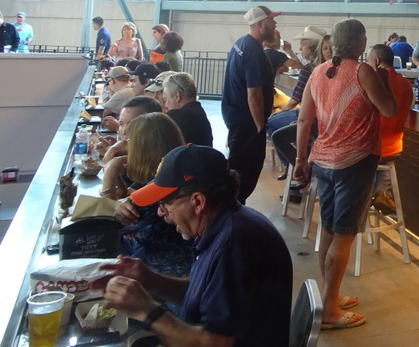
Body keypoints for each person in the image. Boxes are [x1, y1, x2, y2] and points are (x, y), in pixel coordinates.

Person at [99, 145, 292, 347]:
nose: (160, 213)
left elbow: (216, 343)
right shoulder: (225, 225)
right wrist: (149, 278)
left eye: (165, 203)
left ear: (198, 202)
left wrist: (146, 311)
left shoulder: (235, 243)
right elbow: (202, 297)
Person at [295, 19, 396, 329]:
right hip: (355, 161)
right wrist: (384, 79)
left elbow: (303, 120)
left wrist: (301, 159)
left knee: (327, 229)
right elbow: (390, 109)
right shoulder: (362, 71)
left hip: (323, 161)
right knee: (344, 233)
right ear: (361, 43)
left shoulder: (318, 72)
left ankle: (330, 296)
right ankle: (328, 312)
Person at [100, 113, 195, 279]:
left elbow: (106, 227)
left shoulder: (155, 196)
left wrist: (108, 177)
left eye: (129, 142)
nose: (125, 146)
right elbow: (127, 196)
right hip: (183, 267)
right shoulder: (176, 173)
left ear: (142, 148)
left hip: (158, 279)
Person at [222, 5, 280, 203]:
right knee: (246, 169)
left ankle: (232, 206)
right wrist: (260, 127)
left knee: (237, 165)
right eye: (272, 20)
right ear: (261, 24)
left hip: (235, 116)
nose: (275, 24)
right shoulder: (255, 52)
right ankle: (233, 209)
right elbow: (254, 94)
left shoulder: (241, 43)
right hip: (247, 122)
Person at [268, 29, 329, 168]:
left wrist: (281, 111)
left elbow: (296, 98)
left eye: (303, 45)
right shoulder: (329, 67)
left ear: (313, 48)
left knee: (271, 124)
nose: (300, 48)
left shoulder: (309, 69)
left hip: (310, 117)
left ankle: (294, 165)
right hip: (322, 118)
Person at [366, 43, 415, 211]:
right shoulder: (406, 84)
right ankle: (381, 192)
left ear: (377, 60)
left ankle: (363, 202)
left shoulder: (372, 82)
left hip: (370, 150)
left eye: (367, 59)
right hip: (394, 149)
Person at [162, 72, 214, 147]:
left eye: (166, 99)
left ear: (177, 95)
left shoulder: (176, 116)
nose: (166, 105)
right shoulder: (200, 113)